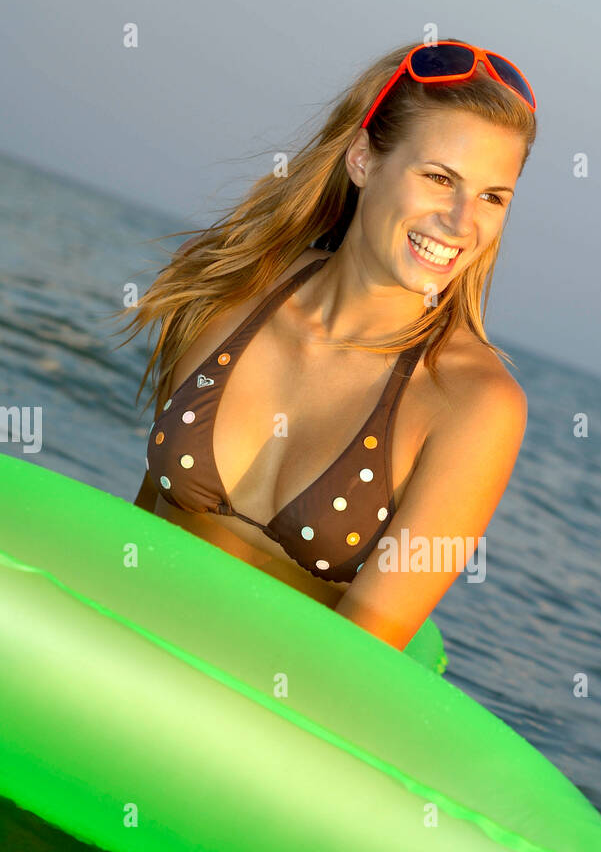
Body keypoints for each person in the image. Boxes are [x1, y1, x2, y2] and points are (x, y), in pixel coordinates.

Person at [122, 39, 536, 650]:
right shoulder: (231, 283)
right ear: (364, 161)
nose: (460, 221)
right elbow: (137, 523)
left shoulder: (473, 405)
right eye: (438, 178)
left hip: (266, 719)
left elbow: (362, 660)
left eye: (492, 197)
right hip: (125, 655)